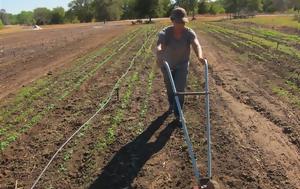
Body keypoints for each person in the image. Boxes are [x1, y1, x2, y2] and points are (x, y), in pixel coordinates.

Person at [156, 7, 205, 120]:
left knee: (180, 89)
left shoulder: (188, 33)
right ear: (172, 20)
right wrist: (159, 51)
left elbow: (196, 44)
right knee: (170, 88)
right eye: (178, 22)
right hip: (167, 65)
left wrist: (200, 56)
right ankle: (172, 104)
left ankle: (178, 114)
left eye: (182, 22)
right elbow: (160, 45)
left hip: (182, 65)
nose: (180, 25)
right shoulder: (165, 32)